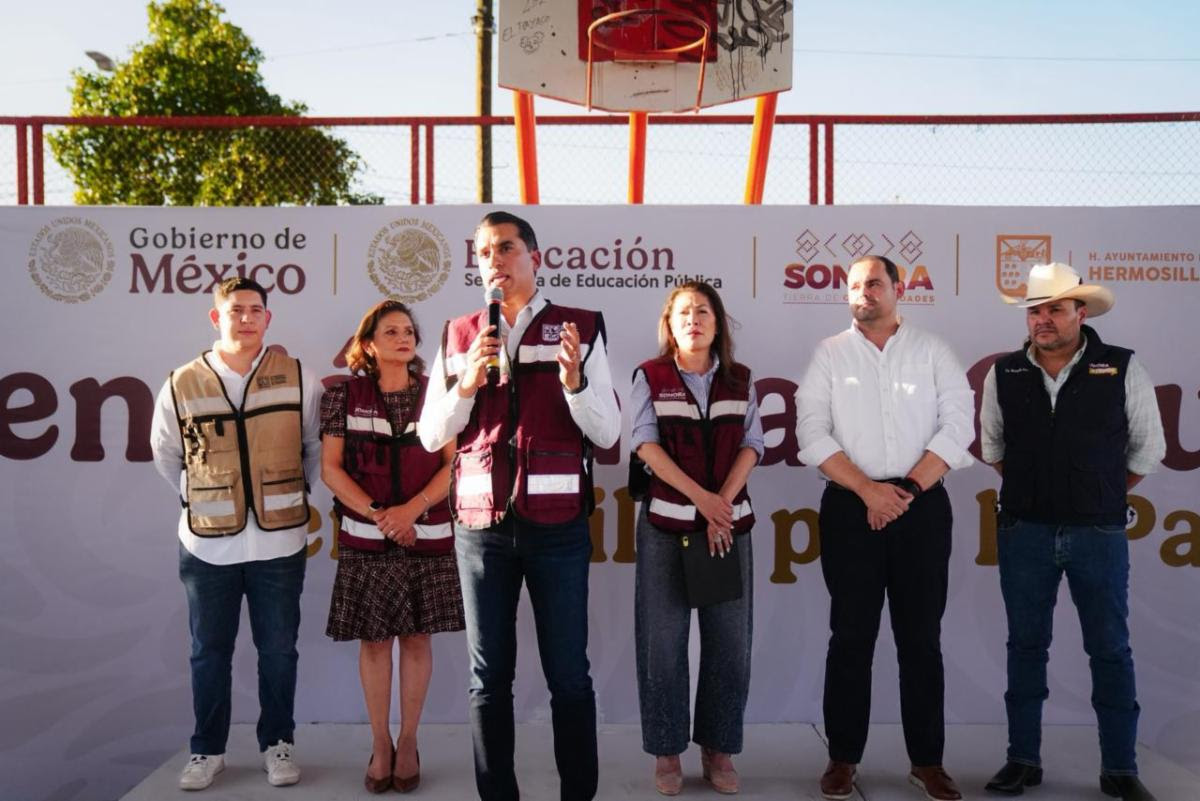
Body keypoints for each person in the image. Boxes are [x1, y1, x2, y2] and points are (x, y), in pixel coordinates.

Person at [418, 211, 621, 801]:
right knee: (488, 680)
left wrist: (575, 383)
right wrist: (465, 383)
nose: (494, 260)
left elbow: (608, 433)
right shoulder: (460, 334)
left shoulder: (580, 327)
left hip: (558, 529)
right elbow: (431, 436)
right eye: (484, 252)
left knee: (569, 676)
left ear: (535, 257)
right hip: (480, 531)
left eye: (506, 248)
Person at [979, 263, 1165, 801]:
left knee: (1110, 649)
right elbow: (993, 447)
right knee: (1025, 647)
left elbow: (1148, 448)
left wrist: (1100, 493)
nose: (1043, 319)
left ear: (1080, 313)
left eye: (1055, 309)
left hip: (1098, 533)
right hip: (1024, 530)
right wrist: (1038, 492)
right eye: (1035, 310)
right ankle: (1022, 760)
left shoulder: (1122, 366)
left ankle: (1120, 768)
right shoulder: (1005, 372)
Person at [795, 255, 974, 801]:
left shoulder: (934, 351)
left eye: (874, 283)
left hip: (922, 507)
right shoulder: (829, 354)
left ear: (899, 289)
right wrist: (869, 492)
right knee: (851, 637)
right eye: (854, 285)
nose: (863, 292)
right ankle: (842, 758)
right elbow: (812, 433)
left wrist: (906, 492)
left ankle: (928, 762)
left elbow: (958, 426)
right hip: (851, 509)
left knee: (921, 640)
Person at [150, 276, 322, 791]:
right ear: (216, 317)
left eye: (255, 310)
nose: (246, 318)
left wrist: (287, 494)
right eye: (235, 310)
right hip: (207, 545)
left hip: (280, 543)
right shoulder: (181, 382)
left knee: (279, 650)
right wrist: (201, 498)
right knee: (209, 652)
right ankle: (207, 750)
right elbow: (166, 454)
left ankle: (278, 744)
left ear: (268, 318)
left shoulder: (299, 378)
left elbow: (314, 447)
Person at [320, 300, 464, 794]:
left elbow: (453, 465)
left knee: (418, 638)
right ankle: (380, 743)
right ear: (368, 344)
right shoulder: (342, 396)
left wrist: (411, 510)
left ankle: (409, 741)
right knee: (376, 641)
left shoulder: (438, 393)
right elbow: (331, 469)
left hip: (426, 535)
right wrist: (383, 515)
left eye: (409, 332)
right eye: (391, 332)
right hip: (367, 538)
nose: (403, 339)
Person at [630, 281, 762, 796]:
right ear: (669, 324)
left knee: (731, 644)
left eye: (703, 311)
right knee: (662, 644)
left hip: (727, 527)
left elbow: (752, 443)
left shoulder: (740, 379)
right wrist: (700, 499)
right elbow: (645, 445)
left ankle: (719, 750)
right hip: (666, 526)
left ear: (718, 322)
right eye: (683, 312)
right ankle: (667, 753)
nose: (694, 319)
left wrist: (720, 504)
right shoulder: (651, 376)